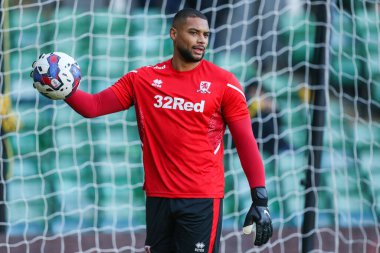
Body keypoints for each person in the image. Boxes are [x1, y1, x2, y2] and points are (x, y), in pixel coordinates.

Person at [35, 8, 272, 253]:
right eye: (193, 32)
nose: (202, 40)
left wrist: (260, 199)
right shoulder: (142, 79)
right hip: (158, 198)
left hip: (201, 199)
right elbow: (94, 106)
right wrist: (63, 88)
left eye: (206, 34)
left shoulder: (225, 83)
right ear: (173, 33)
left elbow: (246, 142)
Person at [245, 82, 290, 155]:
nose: (258, 97)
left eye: (260, 93)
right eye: (254, 93)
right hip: (256, 144)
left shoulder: (268, 106)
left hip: (277, 143)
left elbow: (279, 125)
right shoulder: (245, 106)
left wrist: (275, 110)